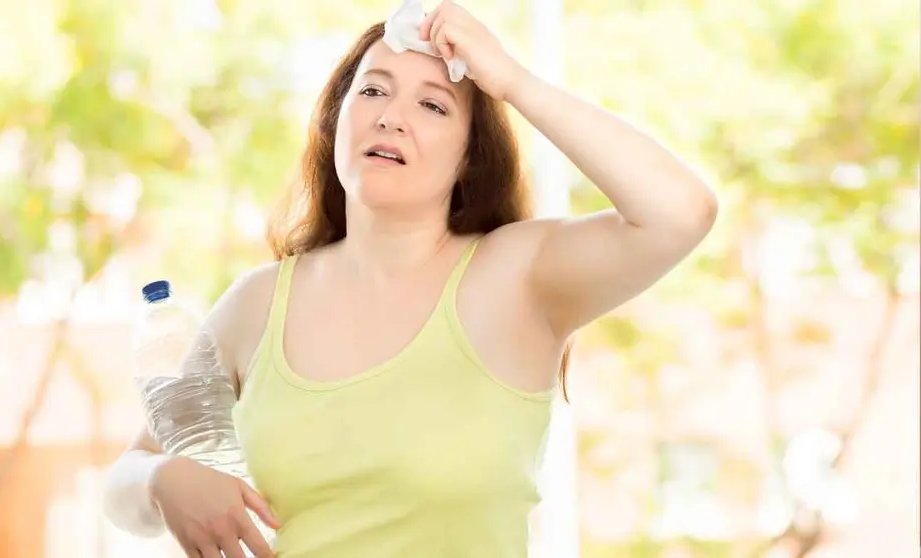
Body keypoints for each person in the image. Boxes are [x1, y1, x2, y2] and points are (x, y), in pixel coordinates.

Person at [102, 1, 718, 557]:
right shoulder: (258, 303)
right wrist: (162, 480)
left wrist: (513, 83)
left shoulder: (514, 277)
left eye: (431, 104)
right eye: (373, 91)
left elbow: (681, 212)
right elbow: (126, 479)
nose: (392, 117)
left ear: (469, 155)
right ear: (336, 121)